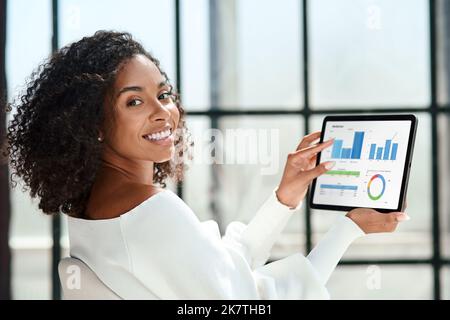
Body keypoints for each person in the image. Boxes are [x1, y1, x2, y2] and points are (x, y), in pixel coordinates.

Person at [4, 31, 409, 299]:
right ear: (92, 123)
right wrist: (348, 229)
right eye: (134, 101)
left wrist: (284, 198)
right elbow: (246, 301)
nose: (164, 112)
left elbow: (217, 269)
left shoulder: (97, 208)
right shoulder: (151, 211)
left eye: (163, 93)